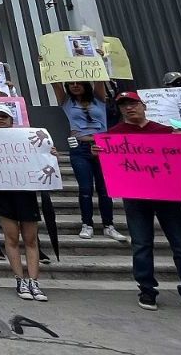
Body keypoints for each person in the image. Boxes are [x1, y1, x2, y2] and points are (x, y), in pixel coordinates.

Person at [102, 92, 181, 311]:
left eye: (133, 103)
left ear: (143, 105)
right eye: (124, 105)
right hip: (136, 198)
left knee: (180, 243)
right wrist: (99, 152)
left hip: (167, 196)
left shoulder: (165, 132)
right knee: (141, 244)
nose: (129, 108)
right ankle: (147, 289)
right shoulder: (114, 136)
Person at [0, 104, 50, 302]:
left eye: (4, 117)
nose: (0, 120)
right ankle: (20, 279)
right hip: (3, 193)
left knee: (31, 239)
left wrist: (50, 154)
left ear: (11, 119)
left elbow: (42, 156)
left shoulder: (26, 137)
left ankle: (34, 280)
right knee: (11, 238)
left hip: (25, 192)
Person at [54, 80, 128, 242]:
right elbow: (55, 83)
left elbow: (99, 78)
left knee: (104, 188)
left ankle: (109, 225)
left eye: (78, 83)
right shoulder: (67, 102)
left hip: (102, 146)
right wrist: (46, 63)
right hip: (80, 148)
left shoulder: (99, 99)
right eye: (70, 84)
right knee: (85, 188)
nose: (74, 85)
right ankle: (87, 224)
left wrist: (98, 58)